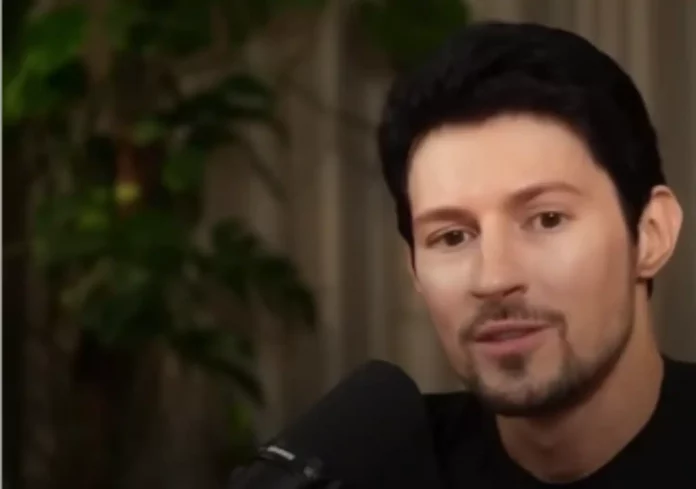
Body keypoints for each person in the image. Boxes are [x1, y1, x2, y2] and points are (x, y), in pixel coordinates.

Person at [377, 21, 696, 487]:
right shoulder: (384, 468)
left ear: (651, 234)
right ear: (414, 270)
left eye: (547, 219)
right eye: (453, 237)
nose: (494, 278)